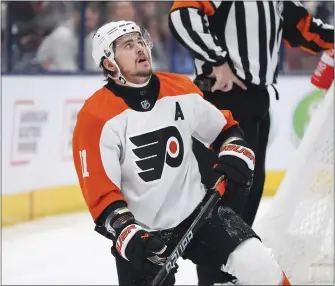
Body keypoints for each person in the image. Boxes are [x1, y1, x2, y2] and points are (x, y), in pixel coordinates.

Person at [72, 20, 292, 286]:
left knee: (261, 267)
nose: (140, 48)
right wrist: (126, 231)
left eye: (140, 41)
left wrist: (235, 148)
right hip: (143, 232)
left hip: (198, 212)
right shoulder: (96, 116)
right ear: (109, 64)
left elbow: (224, 129)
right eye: (128, 45)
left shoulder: (178, 88)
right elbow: (101, 193)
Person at [168, 1, 334, 284]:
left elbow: (302, 27)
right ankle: (214, 277)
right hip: (225, 97)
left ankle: (229, 272)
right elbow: (182, 14)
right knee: (224, 191)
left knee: (250, 189)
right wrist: (217, 61)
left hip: (257, 99)